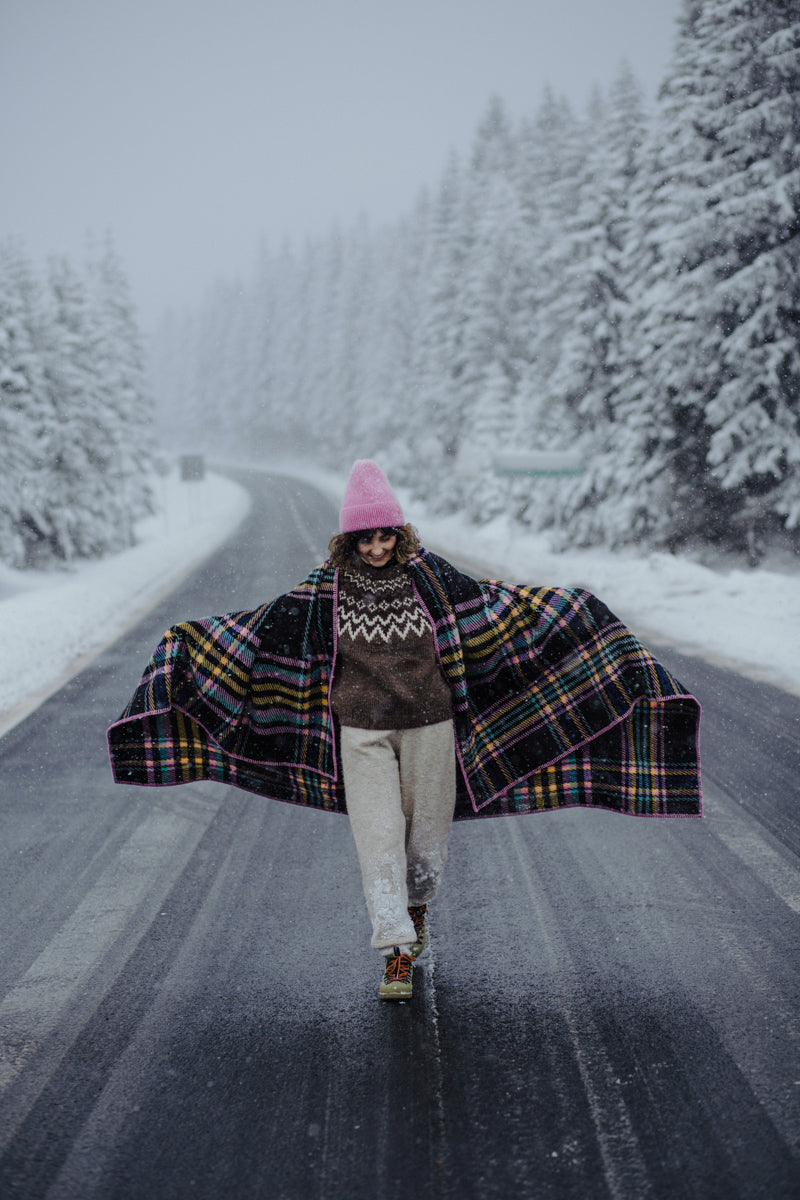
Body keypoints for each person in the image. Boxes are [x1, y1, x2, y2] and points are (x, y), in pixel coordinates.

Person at [108, 460, 702, 1002]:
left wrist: (572, 610)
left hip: (431, 730)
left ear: (400, 532)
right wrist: (189, 645)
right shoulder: (324, 591)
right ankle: (394, 951)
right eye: (364, 537)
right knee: (380, 842)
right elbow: (258, 631)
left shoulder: (432, 580)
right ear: (347, 540)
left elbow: (500, 608)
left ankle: (416, 914)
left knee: (425, 845)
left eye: (384, 534)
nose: (375, 547)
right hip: (360, 736)